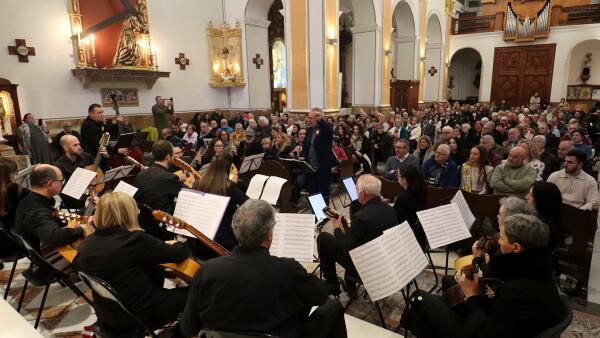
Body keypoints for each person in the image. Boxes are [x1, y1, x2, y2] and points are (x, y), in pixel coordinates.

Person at [180, 199, 347, 338]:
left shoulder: (206, 271)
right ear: (269, 235)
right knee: (333, 307)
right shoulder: (288, 269)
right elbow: (320, 297)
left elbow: (188, 328)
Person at [403, 214, 562, 338]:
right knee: (450, 288)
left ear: (515, 247)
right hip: (507, 323)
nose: (498, 241)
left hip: (485, 330)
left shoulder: (517, 292)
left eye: (501, 238)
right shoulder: (539, 266)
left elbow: (479, 335)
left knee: (419, 298)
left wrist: (472, 295)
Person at [74, 192, 190, 334]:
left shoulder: (87, 243)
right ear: (129, 214)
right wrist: (178, 243)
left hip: (109, 315)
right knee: (198, 291)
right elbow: (179, 254)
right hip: (141, 315)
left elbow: (80, 264)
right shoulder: (134, 240)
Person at [317, 175, 398, 294]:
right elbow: (362, 236)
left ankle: (332, 283)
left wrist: (337, 228)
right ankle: (349, 284)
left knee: (324, 238)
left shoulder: (361, 217)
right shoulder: (390, 209)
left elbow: (345, 248)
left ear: (362, 193)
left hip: (367, 268)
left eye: (356, 189)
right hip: (385, 261)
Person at [14, 164, 93, 251]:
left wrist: (86, 209)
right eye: (61, 180)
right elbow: (54, 237)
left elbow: (60, 217)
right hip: (45, 253)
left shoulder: (35, 198)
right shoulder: (36, 210)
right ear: (50, 184)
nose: (63, 183)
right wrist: (82, 229)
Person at [193, 155, 248, 252]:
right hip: (222, 243)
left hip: (198, 238)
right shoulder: (229, 187)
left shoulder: (198, 184)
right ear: (228, 168)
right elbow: (250, 204)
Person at [134, 140, 185, 214]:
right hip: (161, 221)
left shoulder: (140, 174)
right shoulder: (170, 178)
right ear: (168, 157)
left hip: (141, 219)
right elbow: (183, 199)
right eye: (173, 155)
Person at [301, 108, 336, 203]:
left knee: (323, 194)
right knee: (313, 194)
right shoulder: (309, 130)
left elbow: (327, 129)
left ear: (318, 118)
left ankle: (324, 217)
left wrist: (320, 119)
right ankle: (316, 216)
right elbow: (306, 147)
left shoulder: (325, 130)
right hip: (310, 168)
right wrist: (303, 155)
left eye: (311, 118)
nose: (309, 120)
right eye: (308, 117)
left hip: (322, 168)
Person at [55, 135, 97, 209]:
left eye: (79, 144)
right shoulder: (59, 165)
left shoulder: (84, 156)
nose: (79, 147)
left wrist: (105, 156)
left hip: (90, 190)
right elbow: (62, 190)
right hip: (75, 199)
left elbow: (97, 166)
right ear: (66, 148)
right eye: (75, 145)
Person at [393, 165, 428, 247]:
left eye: (398, 175)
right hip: (420, 236)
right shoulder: (421, 192)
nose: (397, 177)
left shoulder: (403, 199)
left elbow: (396, 221)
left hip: (407, 239)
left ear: (404, 180)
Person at [526, 182, 563, 251]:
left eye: (531, 195)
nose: (526, 197)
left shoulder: (542, 227)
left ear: (541, 200)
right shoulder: (552, 218)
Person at [0, 158, 22, 267]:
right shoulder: (12, 190)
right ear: (7, 175)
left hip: (3, 244)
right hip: (16, 244)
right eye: (15, 172)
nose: (16, 175)